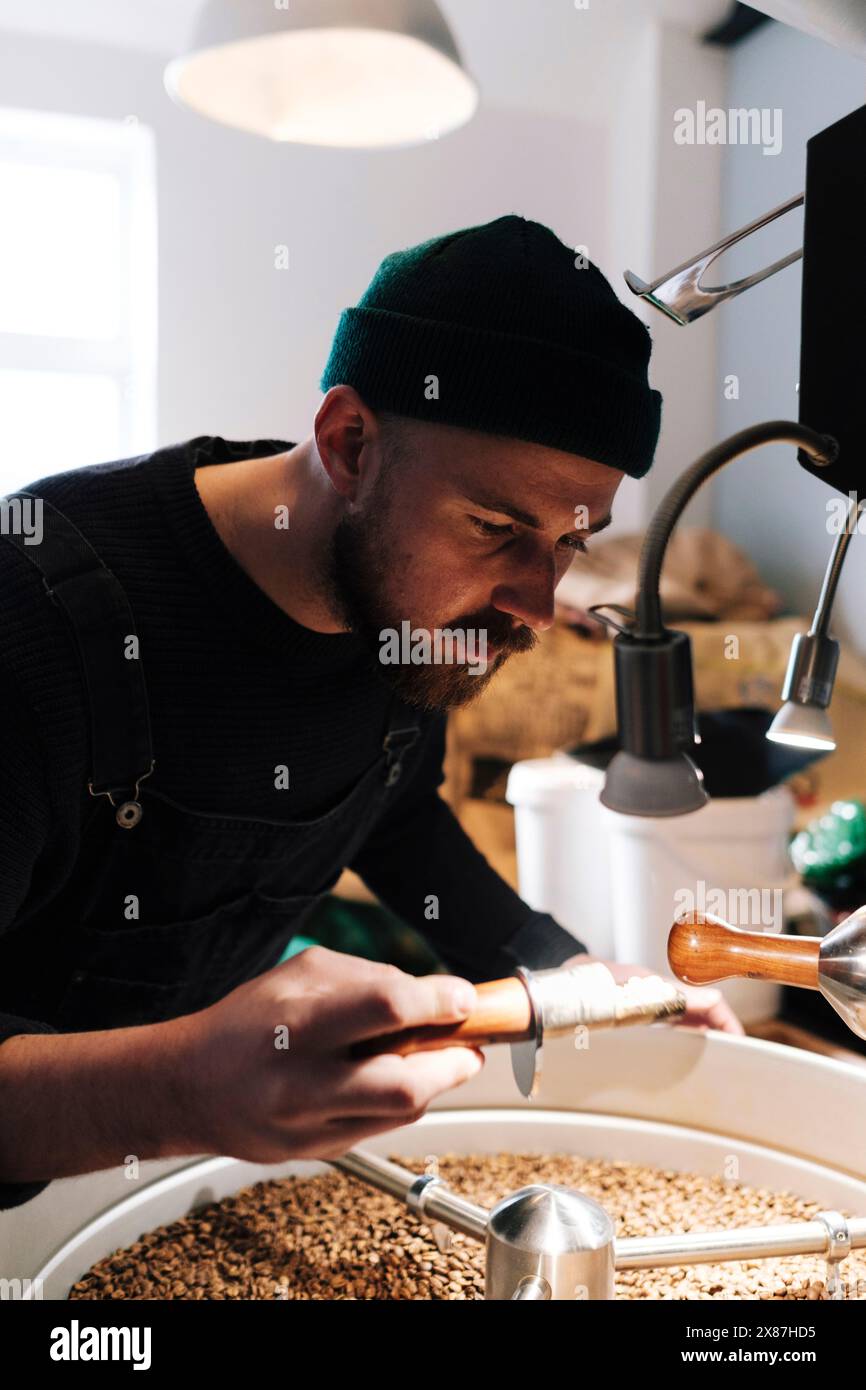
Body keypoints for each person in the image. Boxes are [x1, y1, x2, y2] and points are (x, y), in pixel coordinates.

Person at [0, 214, 741, 1211]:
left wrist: (572, 982)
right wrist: (183, 1089)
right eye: (493, 526)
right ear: (349, 443)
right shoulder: (35, 621)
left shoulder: (410, 615)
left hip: (163, 1171)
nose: (532, 606)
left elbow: (394, 812)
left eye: (568, 544)